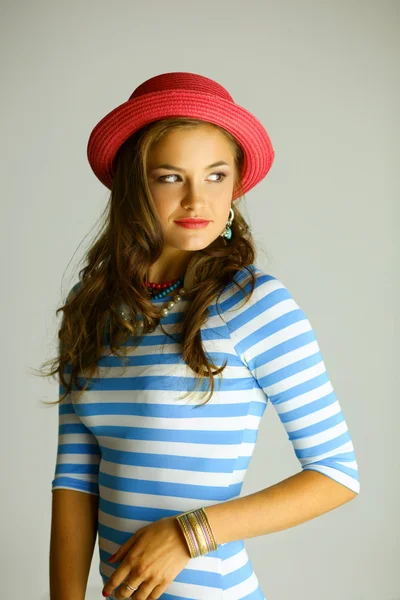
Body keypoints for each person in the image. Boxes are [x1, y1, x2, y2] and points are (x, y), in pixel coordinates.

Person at [45, 72, 360, 600]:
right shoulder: (93, 304)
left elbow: (336, 475)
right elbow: (75, 480)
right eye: (171, 177)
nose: (197, 199)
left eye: (216, 176)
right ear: (133, 184)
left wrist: (188, 534)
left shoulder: (252, 303)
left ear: (235, 185)